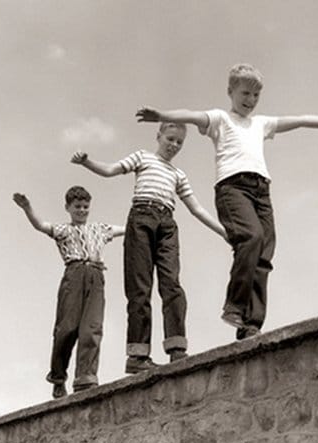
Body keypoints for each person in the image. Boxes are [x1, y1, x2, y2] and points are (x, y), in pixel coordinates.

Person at [135, 63, 318, 340]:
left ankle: (250, 324)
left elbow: (302, 119)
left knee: (264, 253)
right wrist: (161, 114)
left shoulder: (262, 123)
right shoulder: (220, 119)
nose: (250, 101)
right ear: (230, 91)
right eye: (245, 94)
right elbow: (192, 116)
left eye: (256, 96)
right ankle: (233, 305)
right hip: (232, 189)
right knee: (252, 237)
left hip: (262, 190)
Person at [71, 122, 227, 374]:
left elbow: (196, 208)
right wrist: (87, 162)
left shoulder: (178, 175)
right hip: (141, 219)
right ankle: (137, 356)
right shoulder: (142, 157)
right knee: (139, 288)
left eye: (179, 142)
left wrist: (223, 231)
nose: (174, 145)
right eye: (170, 139)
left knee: (172, 284)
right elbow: (111, 170)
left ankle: (177, 348)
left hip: (167, 225)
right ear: (159, 136)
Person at [13, 186, 125, 398]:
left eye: (85, 207)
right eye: (77, 207)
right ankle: (58, 377)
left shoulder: (100, 228)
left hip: (95, 275)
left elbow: (126, 228)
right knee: (66, 329)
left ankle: (86, 379)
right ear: (68, 208)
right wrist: (27, 208)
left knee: (92, 328)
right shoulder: (64, 230)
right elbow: (41, 225)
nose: (82, 210)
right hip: (73, 275)